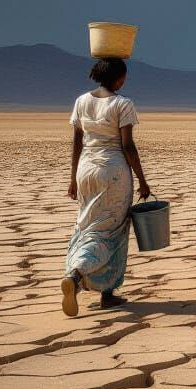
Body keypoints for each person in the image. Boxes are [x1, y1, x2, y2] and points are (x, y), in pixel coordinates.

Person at [62, 57, 150, 317]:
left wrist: (72, 177)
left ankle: (78, 274)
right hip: (113, 172)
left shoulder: (81, 101)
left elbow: (76, 141)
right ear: (119, 78)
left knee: (87, 223)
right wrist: (143, 180)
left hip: (86, 170)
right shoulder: (122, 104)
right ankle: (85, 280)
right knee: (113, 229)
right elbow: (128, 146)